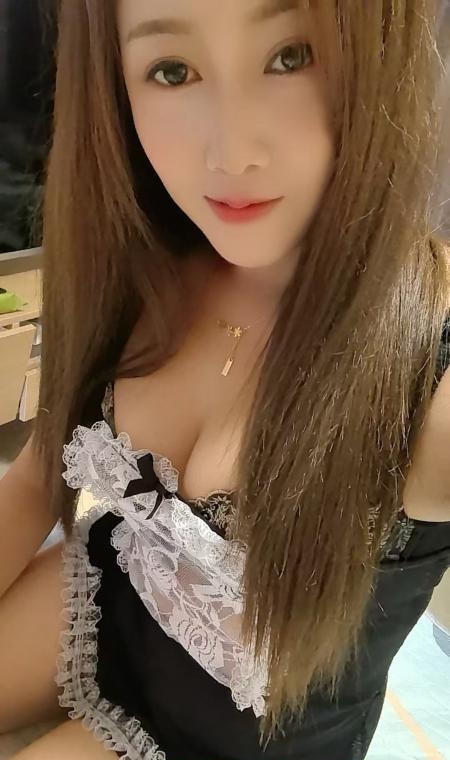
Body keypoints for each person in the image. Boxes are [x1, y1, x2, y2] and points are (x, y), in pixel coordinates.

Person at [1, 1, 450, 758]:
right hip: (106, 600)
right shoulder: (139, 259)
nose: (231, 153)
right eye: (172, 70)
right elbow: (36, 475)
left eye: (291, 56)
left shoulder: (429, 376)